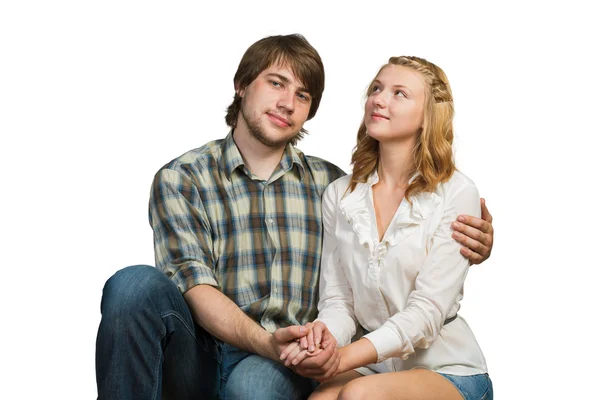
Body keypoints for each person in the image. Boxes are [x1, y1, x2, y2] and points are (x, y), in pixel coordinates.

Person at [95, 35, 494, 400]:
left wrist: (476, 242)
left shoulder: (330, 184)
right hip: (200, 352)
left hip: (284, 360)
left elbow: (360, 292)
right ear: (242, 85)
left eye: (302, 95)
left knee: (254, 388)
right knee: (133, 285)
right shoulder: (182, 178)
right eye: (275, 83)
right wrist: (273, 343)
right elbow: (195, 286)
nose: (287, 102)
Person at [280, 56, 493, 400]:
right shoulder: (340, 193)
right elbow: (339, 302)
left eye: (399, 93)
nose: (379, 99)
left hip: (446, 369)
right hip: (375, 367)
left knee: (359, 395)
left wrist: (343, 357)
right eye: (376, 89)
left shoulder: (457, 192)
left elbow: (426, 314)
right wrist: (322, 341)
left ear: (428, 116)